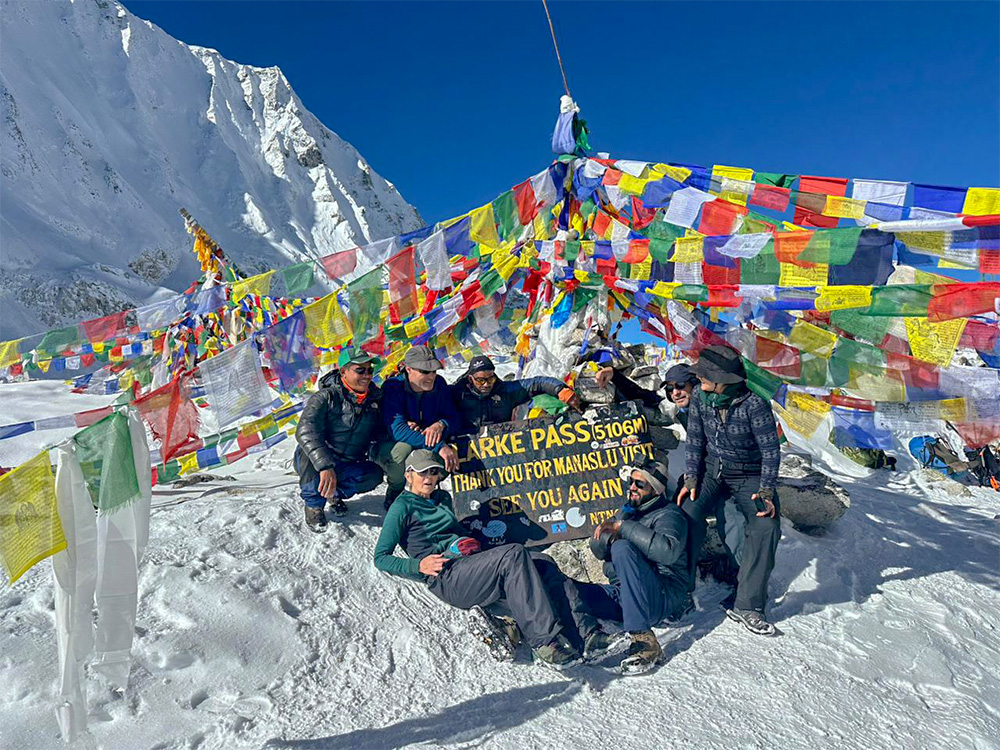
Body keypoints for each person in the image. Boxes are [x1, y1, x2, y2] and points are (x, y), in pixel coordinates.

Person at [373, 449, 592, 668]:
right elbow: (381, 558)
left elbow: (450, 532)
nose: (429, 478)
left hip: (470, 566)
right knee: (513, 554)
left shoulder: (442, 498)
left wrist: (467, 543)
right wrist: (418, 565)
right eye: (423, 473)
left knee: (543, 563)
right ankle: (544, 644)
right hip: (447, 578)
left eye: (433, 472)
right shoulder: (401, 507)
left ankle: (584, 636)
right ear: (409, 475)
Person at [677, 345, 782, 636]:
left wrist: (767, 491)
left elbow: (770, 450)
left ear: (723, 380)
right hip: (712, 470)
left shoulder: (754, 403)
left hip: (748, 473)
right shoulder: (700, 397)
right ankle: (679, 590)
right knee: (685, 514)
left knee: (766, 525)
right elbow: (695, 439)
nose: (699, 380)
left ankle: (748, 604)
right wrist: (691, 479)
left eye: (705, 376)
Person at [586, 458, 691, 675]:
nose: (632, 488)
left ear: (655, 489)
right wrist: (607, 535)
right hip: (628, 594)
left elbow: (668, 550)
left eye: (639, 484)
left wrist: (622, 529)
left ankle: (644, 640)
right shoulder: (628, 511)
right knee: (574, 591)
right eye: (631, 482)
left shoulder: (670, 515)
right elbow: (599, 551)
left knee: (623, 548)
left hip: (661, 595)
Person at [294, 349, 391, 532]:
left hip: (347, 461)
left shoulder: (375, 400)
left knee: (373, 475)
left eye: (369, 371)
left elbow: (381, 432)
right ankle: (314, 505)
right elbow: (306, 430)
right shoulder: (327, 397)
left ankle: (333, 494)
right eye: (360, 371)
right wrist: (325, 466)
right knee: (307, 452)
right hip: (318, 461)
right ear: (343, 372)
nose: (367, 375)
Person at [380, 345, 461, 509]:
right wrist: (440, 446)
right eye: (425, 371)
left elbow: (455, 418)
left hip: (424, 444)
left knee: (449, 455)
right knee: (403, 450)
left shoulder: (439, 384)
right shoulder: (393, 387)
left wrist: (441, 424)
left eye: (434, 371)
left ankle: (426, 492)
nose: (431, 376)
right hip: (390, 445)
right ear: (408, 369)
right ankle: (395, 490)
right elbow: (398, 431)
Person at [450, 355, 583, 433]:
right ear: (470, 379)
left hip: (501, 446)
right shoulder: (456, 394)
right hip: (468, 450)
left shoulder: (506, 392)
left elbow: (537, 383)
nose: (486, 384)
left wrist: (561, 390)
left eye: (490, 379)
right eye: (480, 380)